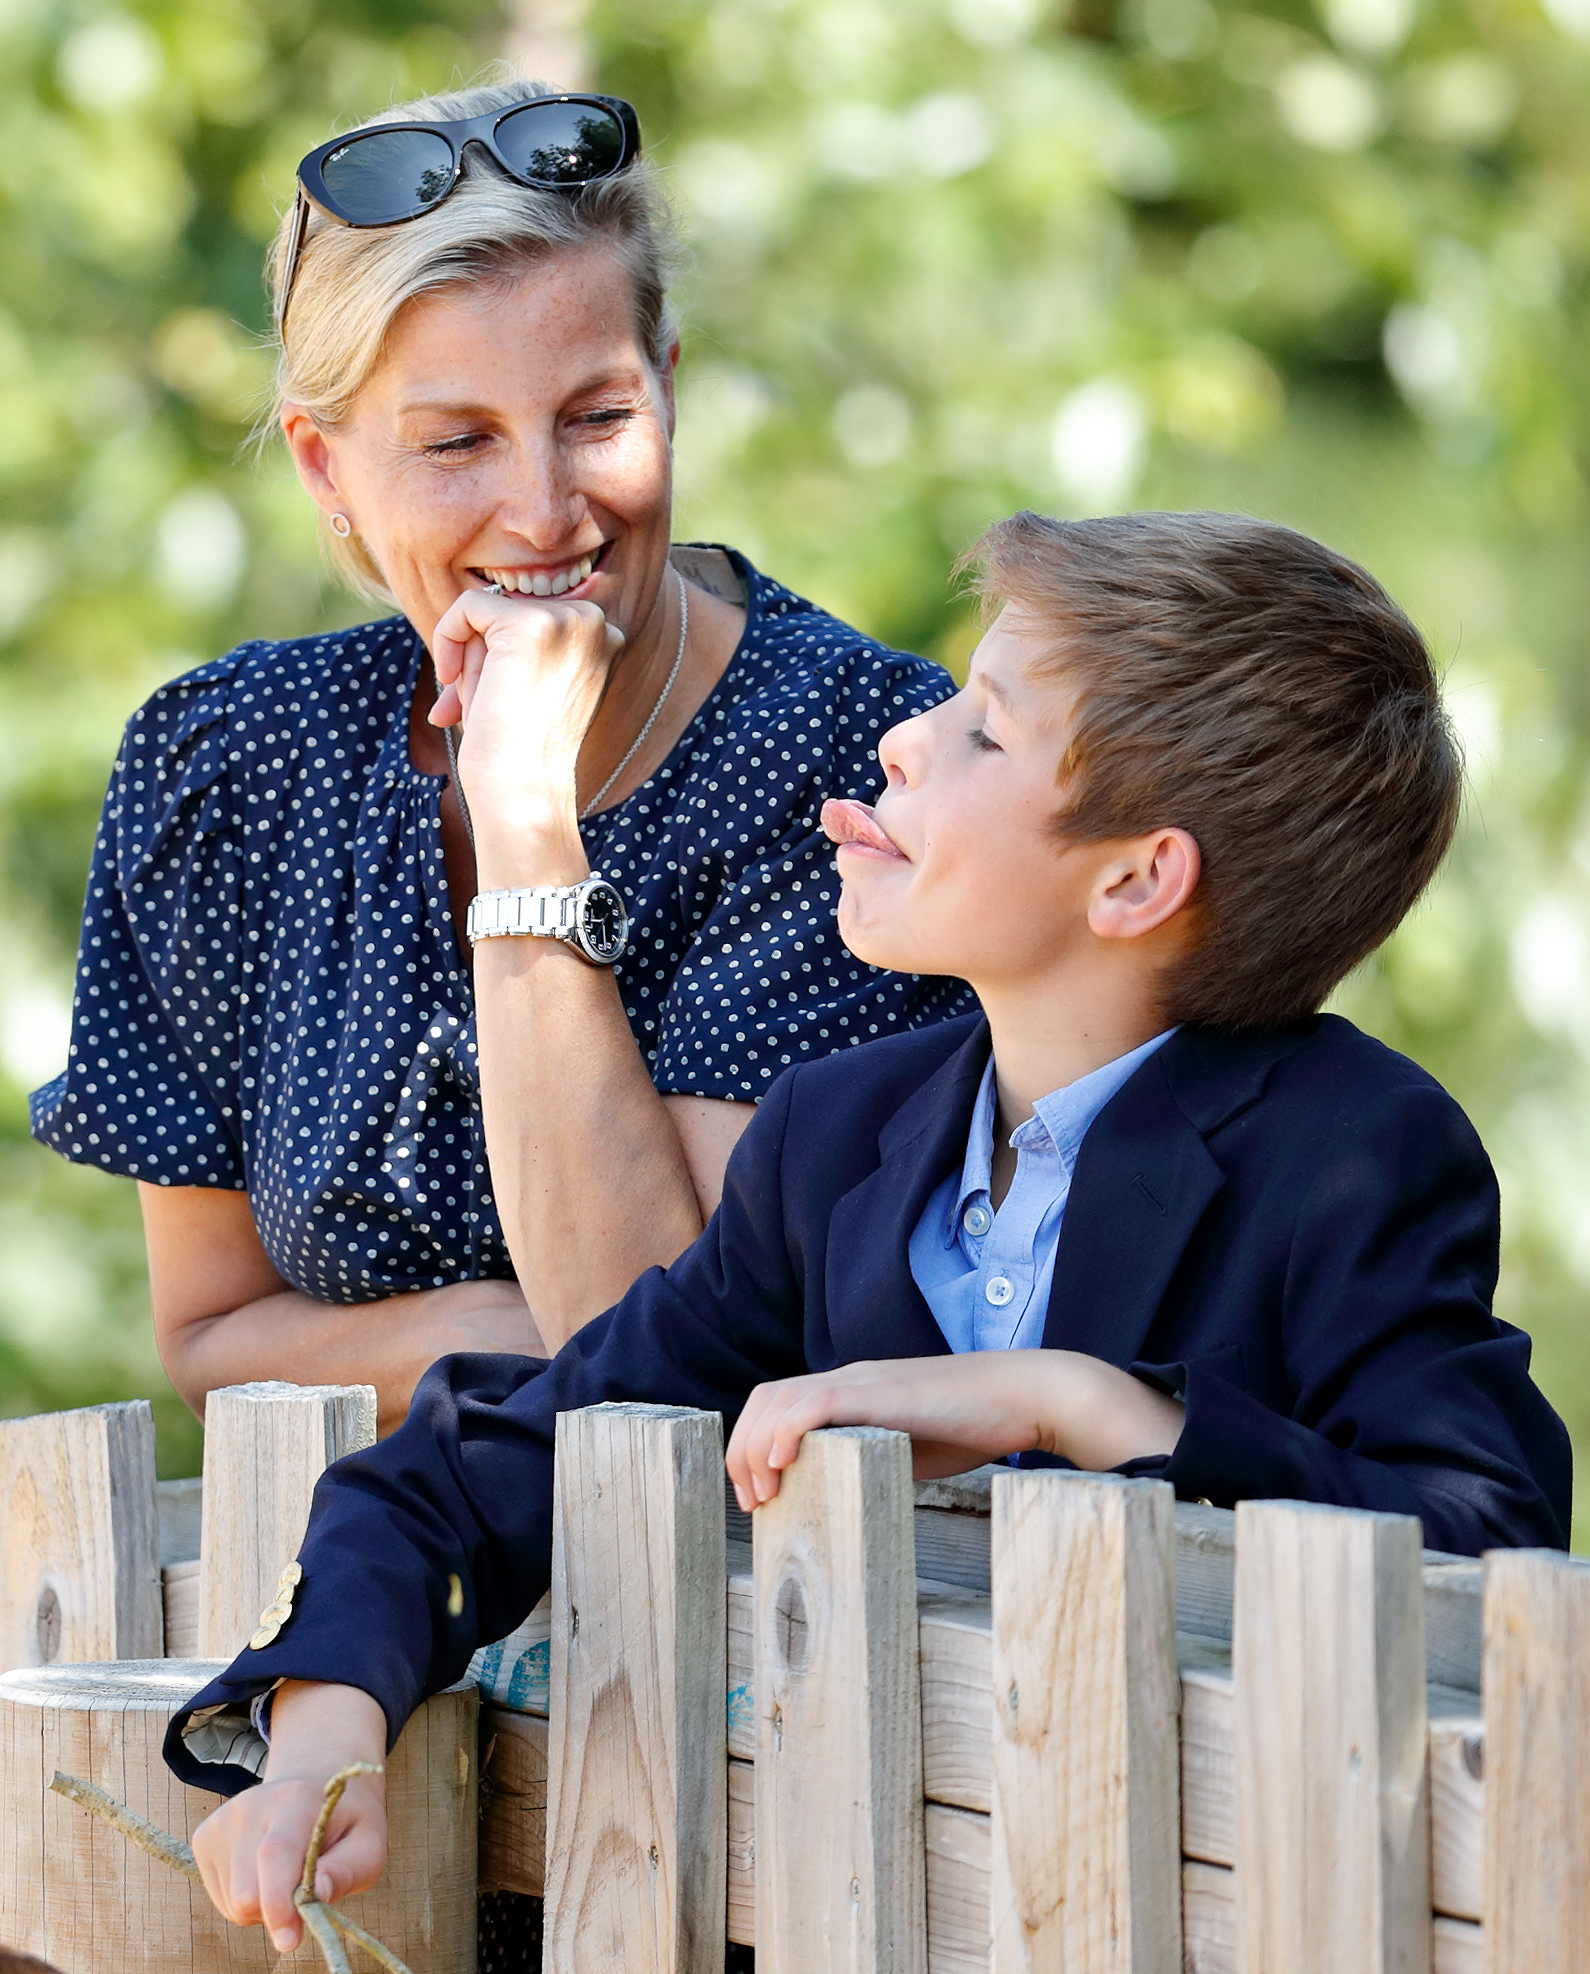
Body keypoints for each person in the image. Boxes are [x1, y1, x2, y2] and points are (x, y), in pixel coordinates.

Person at [167, 508, 1570, 1952]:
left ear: (1136, 880)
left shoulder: (1349, 1148)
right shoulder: (834, 1137)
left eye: (982, 730)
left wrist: (1075, 1402)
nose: (907, 737)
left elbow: (1489, 1547)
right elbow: (490, 1467)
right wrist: (320, 1742)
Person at [28, 76, 970, 1438]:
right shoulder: (221, 762)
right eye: (456, 440)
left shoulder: (857, 759)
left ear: (668, 387)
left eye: (595, 418)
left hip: (774, 1607)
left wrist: (525, 815)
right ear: (324, 467)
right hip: (364, 1599)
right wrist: (479, 1324)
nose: (540, 513)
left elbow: (656, 1370)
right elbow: (213, 1333)